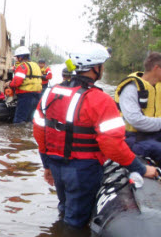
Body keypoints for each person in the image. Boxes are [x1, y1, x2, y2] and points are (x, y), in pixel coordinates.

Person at [32, 42, 158, 229]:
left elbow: (39, 132)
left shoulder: (51, 92)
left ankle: (57, 230)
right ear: (95, 68)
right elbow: (113, 145)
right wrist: (140, 168)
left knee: (64, 208)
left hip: (56, 165)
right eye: (102, 65)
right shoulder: (100, 99)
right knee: (76, 221)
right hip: (83, 170)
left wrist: (47, 165)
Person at [115, 52, 161, 165]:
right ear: (156, 68)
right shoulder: (131, 88)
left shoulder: (158, 87)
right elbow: (135, 120)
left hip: (156, 135)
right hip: (136, 139)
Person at [7, 46, 42, 124]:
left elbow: (16, 82)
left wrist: (9, 84)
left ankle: (18, 135)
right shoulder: (36, 65)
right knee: (30, 120)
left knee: (19, 120)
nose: (17, 59)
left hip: (25, 95)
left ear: (20, 57)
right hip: (37, 95)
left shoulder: (22, 66)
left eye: (17, 57)